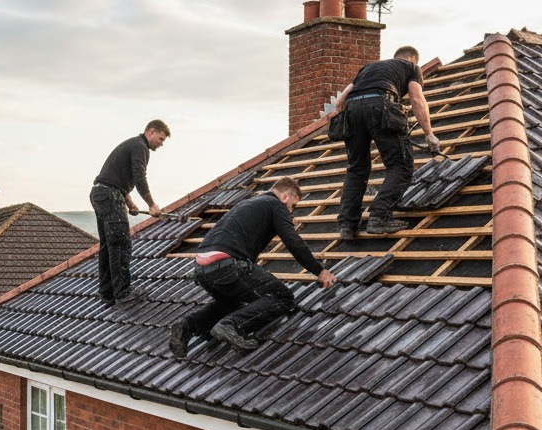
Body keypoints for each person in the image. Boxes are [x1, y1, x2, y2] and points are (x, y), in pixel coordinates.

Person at [170, 177, 337, 357]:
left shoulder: (248, 204)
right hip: (226, 263)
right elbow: (293, 242)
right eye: (293, 206)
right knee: (282, 297)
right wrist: (319, 271)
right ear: (285, 196)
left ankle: (187, 326)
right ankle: (232, 325)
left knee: (236, 302)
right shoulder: (276, 205)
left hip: (202, 268)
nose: (292, 212)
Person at [335, 46, 440, 239]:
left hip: (352, 110)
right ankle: (379, 216)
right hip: (381, 104)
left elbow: (339, 102)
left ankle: (347, 226)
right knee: (401, 165)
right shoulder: (411, 67)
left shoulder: (368, 69)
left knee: (357, 168)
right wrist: (429, 134)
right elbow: (417, 98)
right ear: (413, 60)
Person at [90, 120, 170, 306]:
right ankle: (123, 292)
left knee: (108, 245)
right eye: (161, 138)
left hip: (100, 193)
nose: (161, 143)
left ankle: (107, 293)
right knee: (120, 243)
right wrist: (151, 204)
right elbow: (139, 176)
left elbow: (117, 179)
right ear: (151, 132)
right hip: (109, 195)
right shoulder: (140, 147)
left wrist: (131, 203)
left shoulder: (132, 144)